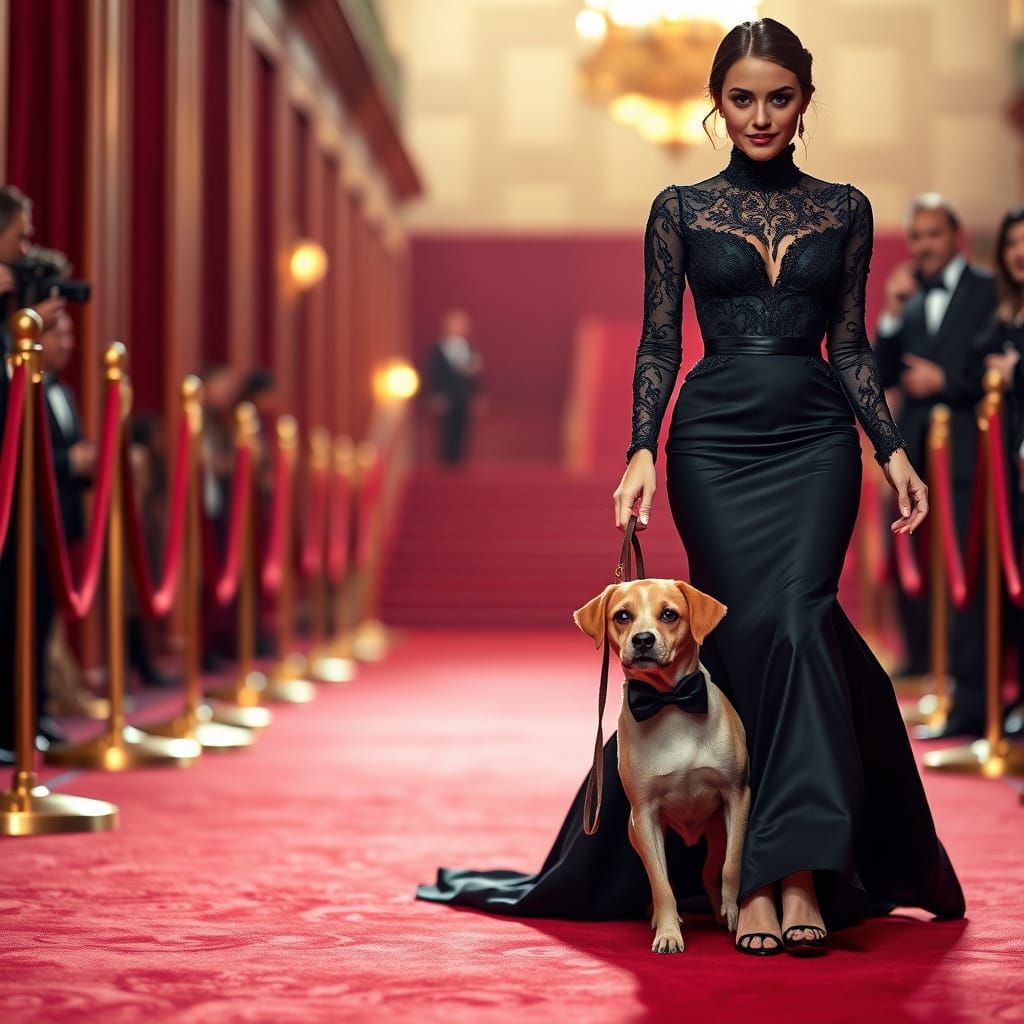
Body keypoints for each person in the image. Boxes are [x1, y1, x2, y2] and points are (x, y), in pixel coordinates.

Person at [416, 18, 964, 956]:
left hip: (815, 435)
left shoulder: (847, 207)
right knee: (744, 632)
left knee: (797, 621)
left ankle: (795, 873)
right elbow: (661, 342)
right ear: (717, 104)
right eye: (741, 98)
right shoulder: (678, 207)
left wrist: (890, 447)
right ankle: (760, 880)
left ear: (805, 102)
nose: (759, 115)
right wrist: (642, 450)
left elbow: (852, 345)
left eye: (778, 98)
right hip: (713, 442)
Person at [874, 195, 997, 737]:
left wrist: (946, 383)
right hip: (918, 455)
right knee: (918, 567)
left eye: (933, 234)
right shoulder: (912, 293)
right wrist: (893, 313)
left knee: (965, 576)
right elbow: (878, 373)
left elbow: (997, 360)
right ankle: (930, 671)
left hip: (971, 455)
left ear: (957, 236)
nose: (923, 245)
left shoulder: (989, 289)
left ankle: (971, 696)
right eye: (916, 236)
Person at [963, 208, 1024, 734]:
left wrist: (1016, 370)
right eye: (1012, 244)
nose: (1019, 253)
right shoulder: (1005, 312)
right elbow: (972, 359)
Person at [424, 308, 483, 465]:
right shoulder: (438, 349)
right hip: (446, 397)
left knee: (462, 431)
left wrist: (477, 396)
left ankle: (459, 463)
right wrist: (435, 395)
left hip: (464, 397)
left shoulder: (470, 349)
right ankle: (445, 463)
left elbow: (478, 378)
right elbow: (434, 374)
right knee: (446, 431)